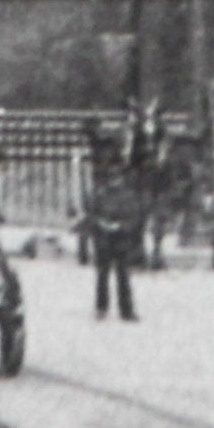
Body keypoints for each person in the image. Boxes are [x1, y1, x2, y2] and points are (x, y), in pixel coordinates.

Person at [86, 136, 147, 323]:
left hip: (121, 239)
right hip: (104, 238)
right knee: (102, 276)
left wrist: (122, 226)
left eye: (117, 178)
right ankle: (101, 307)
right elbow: (92, 214)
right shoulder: (100, 195)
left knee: (123, 276)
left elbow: (134, 216)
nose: (114, 181)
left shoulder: (128, 197)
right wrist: (101, 224)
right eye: (111, 178)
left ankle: (126, 310)